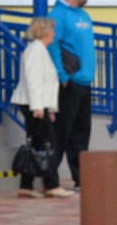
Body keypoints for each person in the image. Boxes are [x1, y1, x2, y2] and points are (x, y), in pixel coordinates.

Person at [10, 17, 75, 199]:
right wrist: (38, 108)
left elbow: (46, 83)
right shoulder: (35, 50)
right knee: (50, 144)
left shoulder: (39, 50)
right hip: (33, 104)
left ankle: (26, 186)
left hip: (35, 104)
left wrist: (51, 109)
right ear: (45, 32)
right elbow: (33, 80)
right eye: (52, 30)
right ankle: (51, 185)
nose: (54, 33)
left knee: (36, 144)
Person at [47, 0, 95, 191]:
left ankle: (81, 179)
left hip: (85, 82)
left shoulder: (84, 15)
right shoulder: (57, 15)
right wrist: (62, 76)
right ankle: (50, 181)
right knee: (60, 133)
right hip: (69, 83)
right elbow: (52, 46)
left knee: (81, 135)